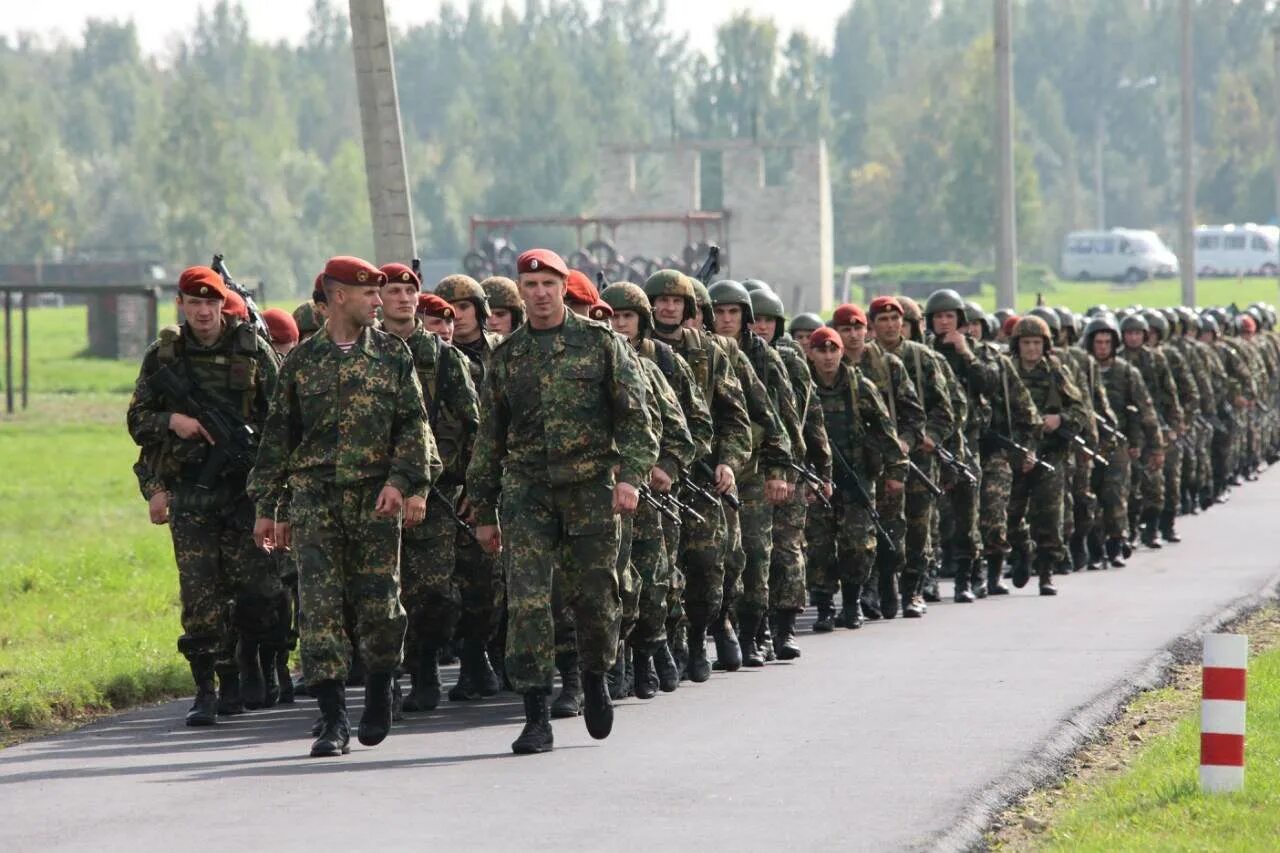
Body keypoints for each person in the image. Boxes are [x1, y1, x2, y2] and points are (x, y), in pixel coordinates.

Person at [467, 248, 658, 754]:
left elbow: (637, 418)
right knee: (527, 602)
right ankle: (535, 714)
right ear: (520, 292)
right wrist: (484, 511)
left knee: (596, 596)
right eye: (529, 287)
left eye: (549, 284)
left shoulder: (600, 344)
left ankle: (595, 677)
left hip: (591, 487)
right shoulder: (508, 356)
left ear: (561, 285)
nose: (540, 294)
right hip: (527, 491)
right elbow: (489, 439)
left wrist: (631, 477)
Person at [248, 255, 441, 758]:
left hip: (374, 499)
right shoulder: (302, 362)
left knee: (380, 605)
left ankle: (379, 692)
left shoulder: (393, 356)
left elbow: (413, 428)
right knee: (319, 610)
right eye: (369, 294)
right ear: (338, 297)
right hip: (315, 501)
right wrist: (268, 505)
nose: (378, 302)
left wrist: (402, 482)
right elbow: (277, 440)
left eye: (381, 293)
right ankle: (332, 719)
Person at [126, 266, 288, 726]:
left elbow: (281, 420)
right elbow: (138, 420)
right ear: (180, 305)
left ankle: (248, 658)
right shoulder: (163, 358)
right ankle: (210, 688)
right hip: (192, 495)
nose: (202, 311)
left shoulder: (253, 350)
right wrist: (171, 422)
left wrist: (270, 486)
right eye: (193, 303)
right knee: (200, 597)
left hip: (245, 493)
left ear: (223, 305)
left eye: (210, 302)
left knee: (256, 590)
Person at [379, 262, 479, 713]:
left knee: (433, 592)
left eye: (409, 290)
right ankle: (387, 675)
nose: (402, 298)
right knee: (376, 592)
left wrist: (476, 487)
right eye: (393, 290)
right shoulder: (364, 353)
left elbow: (477, 427)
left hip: (435, 496)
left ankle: (424, 665)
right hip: (371, 492)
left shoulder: (444, 358)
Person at [806, 326, 907, 625]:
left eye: (832, 349)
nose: (827, 356)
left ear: (841, 352)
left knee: (857, 545)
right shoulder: (803, 388)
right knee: (819, 547)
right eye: (820, 350)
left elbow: (885, 432)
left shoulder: (859, 386)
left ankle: (852, 604)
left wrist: (896, 471)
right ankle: (824, 608)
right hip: (817, 479)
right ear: (810, 354)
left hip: (857, 478)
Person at [1005, 315, 1088, 595]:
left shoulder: (1056, 373)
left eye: (1037, 343)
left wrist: (1060, 419)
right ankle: (1022, 550)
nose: (1031, 349)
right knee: (1010, 514)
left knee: (1050, 515)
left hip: (1050, 454)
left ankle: (1046, 571)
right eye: (1026, 343)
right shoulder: (1007, 372)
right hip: (1016, 452)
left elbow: (1080, 411)